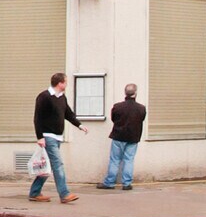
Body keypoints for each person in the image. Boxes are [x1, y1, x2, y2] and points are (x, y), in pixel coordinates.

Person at [28, 72, 86, 204]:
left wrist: (79, 125)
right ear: (60, 83)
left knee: (47, 166)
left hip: (57, 136)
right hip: (48, 137)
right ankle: (64, 194)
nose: (66, 84)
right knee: (58, 165)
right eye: (65, 82)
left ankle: (35, 193)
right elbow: (37, 118)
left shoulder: (61, 97)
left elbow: (68, 114)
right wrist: (40, 137)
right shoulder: (44, 97)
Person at [100, 83, 147, 189]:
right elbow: (141, 119)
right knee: (129, 160)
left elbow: (114, 119)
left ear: (125, 93)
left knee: (115, 160)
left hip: (118, 136)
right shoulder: (141, 108)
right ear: (135, 93)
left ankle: (109, 183)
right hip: (133, 137)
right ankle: (126, 183)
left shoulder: (117, 107)